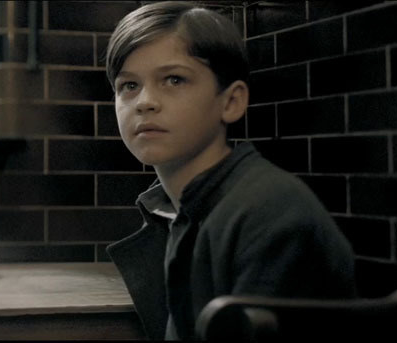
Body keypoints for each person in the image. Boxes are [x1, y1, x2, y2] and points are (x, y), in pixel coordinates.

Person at [104, 2, 356, 340]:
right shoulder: (182, 207)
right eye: (129, 86)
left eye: (174, 79)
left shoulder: (268, 213)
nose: (145, 101)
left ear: (232, 101)